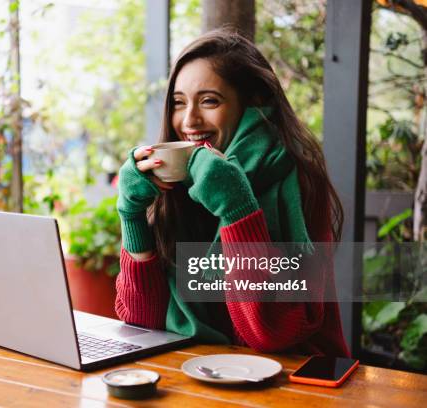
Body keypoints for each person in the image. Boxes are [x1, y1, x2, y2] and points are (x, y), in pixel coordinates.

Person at [114, 28, 350, 356]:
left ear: (252, 102)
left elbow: (274, 332)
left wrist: (237, 207)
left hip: (292, 381)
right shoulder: (174, 184)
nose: (189, 120)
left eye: (210, 101)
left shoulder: (298, 178)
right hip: (196, 375)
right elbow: (142, 321)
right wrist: (132, 215)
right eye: (179, 103)